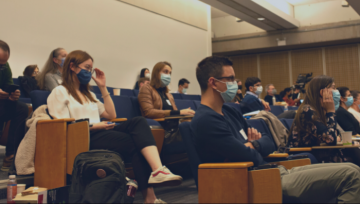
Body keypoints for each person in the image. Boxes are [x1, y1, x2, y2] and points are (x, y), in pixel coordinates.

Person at [191, 56, 360, 203]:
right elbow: (245, 155)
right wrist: (251, 146)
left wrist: (253, 144)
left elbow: (268, 141)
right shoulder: (206, 119)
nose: (235, 84)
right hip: (259, 180)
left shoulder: (229, 111)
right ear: (213, 82)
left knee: (353, 168)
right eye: (230, 79)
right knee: (351, 176)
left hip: (273, 169)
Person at [47, 50, 182, 204]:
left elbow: (111, 114)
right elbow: (63, 126)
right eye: (86, 68)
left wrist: (103, 88)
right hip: (83, 137)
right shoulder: (60, 92)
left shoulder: (88, 95)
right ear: (72, 66)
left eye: (91, 69)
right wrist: (93, 126)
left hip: (100, 131)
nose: (89, 73)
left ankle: (158, 171)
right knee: (136, 144)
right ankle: (151, 197)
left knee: (138, 121)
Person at [138, 62, 195, 146]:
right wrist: (179, 112)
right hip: (162, 131)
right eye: (165, 72)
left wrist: (187, 115)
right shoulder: (146, 89)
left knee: (198, 126)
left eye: (169, 73)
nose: (168, 75)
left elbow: (176, 115)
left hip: (174, 130)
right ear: (156, 73)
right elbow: (149, 112)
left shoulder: (168, 95)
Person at [0, 40, 28, 171]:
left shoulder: (5, 67)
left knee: (21, 108)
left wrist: (13, 95)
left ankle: (11, 154)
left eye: (3, 64)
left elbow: (7, 85)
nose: (1, 66)